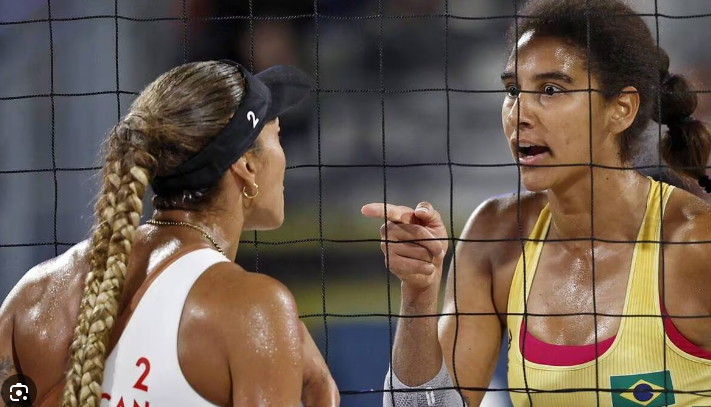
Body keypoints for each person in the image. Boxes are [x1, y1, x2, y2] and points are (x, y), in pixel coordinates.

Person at [362, 0, 711, 406]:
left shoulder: (695, 243)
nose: (520, 113)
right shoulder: (496, 235)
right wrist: (419, 293)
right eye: (512, 90)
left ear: (621, 109)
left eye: (551, 90)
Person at [0, 60, 339, 407]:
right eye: (277, 136)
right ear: (247, 167)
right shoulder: (255, 308)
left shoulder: (35, 291)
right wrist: (321, 388)